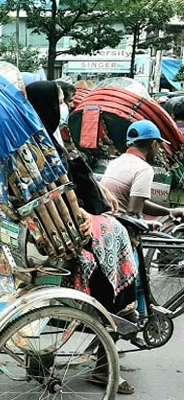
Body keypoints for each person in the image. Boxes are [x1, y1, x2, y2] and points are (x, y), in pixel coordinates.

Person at [27, 80, 138, 394]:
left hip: (67, 218)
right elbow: (54, 189)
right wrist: (84, 215)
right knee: (116, 265)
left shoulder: (49, 138)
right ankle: (105, 364)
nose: (67, 106)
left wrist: (100, 193)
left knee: (116, 232)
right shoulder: (39, 146)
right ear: (48, 106)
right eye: (62, 100)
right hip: (63, 228)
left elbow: (77, 172)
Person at [101, 120, 184, 219]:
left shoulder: (116, 162)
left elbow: (138, 201)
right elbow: (133, 212)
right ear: (153, 144)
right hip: (118, 224)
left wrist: (169, 211)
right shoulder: (143, 169)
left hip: (103, 220)